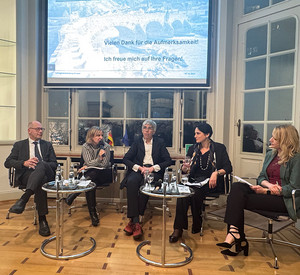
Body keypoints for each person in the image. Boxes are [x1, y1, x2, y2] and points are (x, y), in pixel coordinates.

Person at [217, 124, 300, 256]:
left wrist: (267, 191)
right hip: (267, 193)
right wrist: (267, 186)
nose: (270, 139)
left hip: (284, 200)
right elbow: (261, 177)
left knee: (236, 200)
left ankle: (237, 238)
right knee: (237, 187)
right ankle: (235, 233)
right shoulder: (270, 154)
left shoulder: (296, 159)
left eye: (275, 138)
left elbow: (294, 188)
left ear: (285, 140)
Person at [169, 122, 232, 243]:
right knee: (182, 193)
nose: (195, 136)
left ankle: (197, 221)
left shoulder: (219, 148)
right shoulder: (193, 149)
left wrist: (216, 173)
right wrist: (184, 168)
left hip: (211, 182)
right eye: (195, 133)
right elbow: (186, 170)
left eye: (198, 133)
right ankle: (178, 229)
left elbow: (228, 167)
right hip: (194, 180)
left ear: (207, 134)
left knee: (194, 192)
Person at [120, 120, 172, 240]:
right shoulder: (137, 142)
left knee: (146, 185)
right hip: (140, 170)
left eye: (150, 128)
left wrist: (153, 168)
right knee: (132, 182)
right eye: (145, 128)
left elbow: (168, 160)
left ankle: (133, 222)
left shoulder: (160, 142)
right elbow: (126, 159)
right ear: (142, 130)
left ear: (154, 131)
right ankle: (136, 221)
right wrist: (139, 168)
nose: (147, 130)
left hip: (153, 172)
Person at [4, 121, 57, 236]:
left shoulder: (47, 145)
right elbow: (7, 162)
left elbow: (54, 164)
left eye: (42, 129)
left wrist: (41, 164)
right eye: (37, 129)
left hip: (47, 174)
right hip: (27, 175)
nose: (41, 131)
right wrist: (24, 163)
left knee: (41, 165)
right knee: (40, 181)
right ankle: (42, 219)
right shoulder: (19, 145)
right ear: (29, 130)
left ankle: (24, 199)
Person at [65, 126, 110, 226]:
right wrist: (98, 159)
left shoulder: (106, 146)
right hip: (90, 175)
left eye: (102, 135)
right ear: (91, 136)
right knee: (90, 184)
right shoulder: (86, 146)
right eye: (98, 135)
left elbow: (104, 164)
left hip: (103, 174)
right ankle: (93, 215)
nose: (100, 137)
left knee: (92, 174)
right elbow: (90, 161)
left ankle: (74, 194)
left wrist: (89, 165)